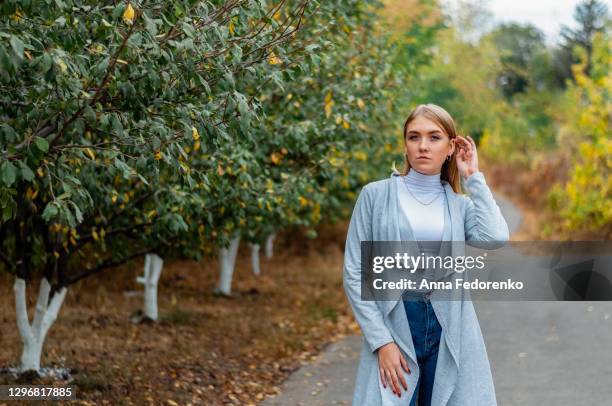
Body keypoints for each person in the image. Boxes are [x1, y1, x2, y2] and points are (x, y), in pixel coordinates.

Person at [343, 103, 509, 405]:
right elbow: (355, 273)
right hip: (397, 321)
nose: (423, 146)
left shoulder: (459, 206)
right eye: (413, 137)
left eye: (434, 137)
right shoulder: (375, 196)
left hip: (450, 326)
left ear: (450, 147)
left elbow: (495, 235)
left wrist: (473, 178)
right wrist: (382, 342)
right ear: (405, 145)